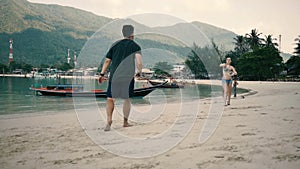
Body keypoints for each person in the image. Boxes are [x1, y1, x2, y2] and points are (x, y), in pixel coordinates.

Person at [98, 25, 142, 131]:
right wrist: (139, 72)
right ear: (132, 34)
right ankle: (125, 122)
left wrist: (102, 74)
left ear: (123, 33)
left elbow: (107, 61)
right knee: (126, 99)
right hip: (128, 77)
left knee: (110, 98)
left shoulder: (115, 45)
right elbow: (139, 61)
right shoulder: (135, 46)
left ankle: (109, 119)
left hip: (114, 76)